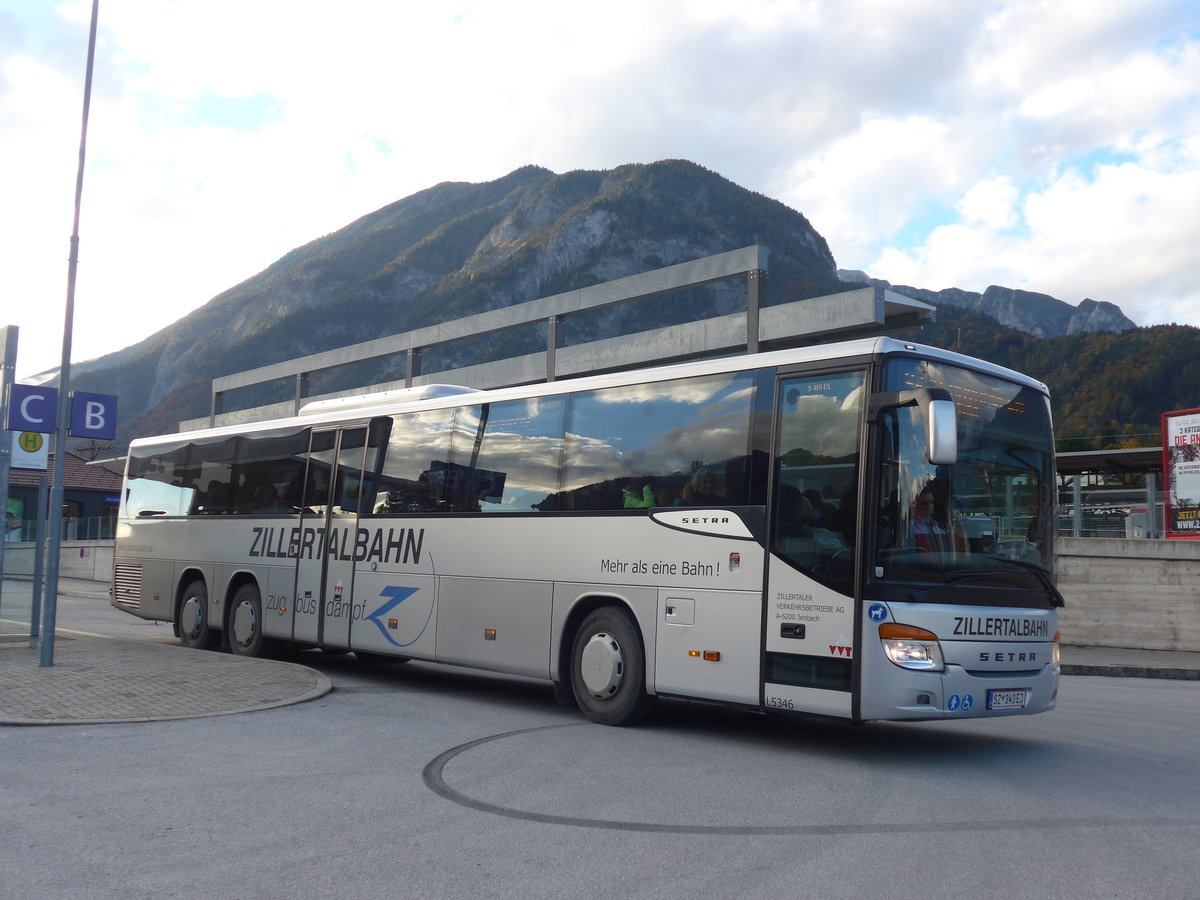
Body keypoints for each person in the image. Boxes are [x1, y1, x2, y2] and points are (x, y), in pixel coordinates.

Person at [906, 488, 951, 554]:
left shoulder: (937, 527)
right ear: (917, 505)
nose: (928, 505)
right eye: (924, 503)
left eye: (931, 502)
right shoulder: (910, 528)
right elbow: (910, 554)